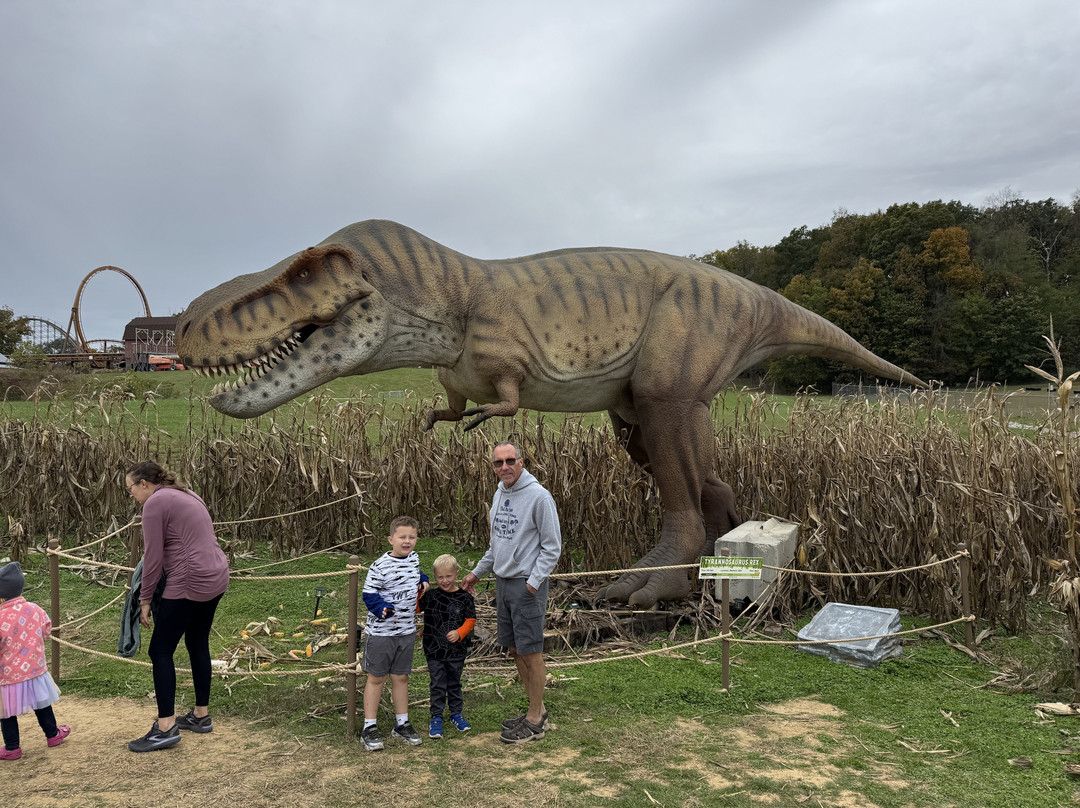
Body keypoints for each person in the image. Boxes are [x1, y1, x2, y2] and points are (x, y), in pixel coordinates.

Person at [124, 461, 229, 753]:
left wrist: (145, 599)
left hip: (189, 580)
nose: (131, 494)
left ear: (144, 483)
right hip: (216, 575)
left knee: (160, 650)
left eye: (131, 488)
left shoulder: (154, 504)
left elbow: (152, 556)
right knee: (197, 641)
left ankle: (165, 727)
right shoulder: (187, 493)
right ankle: (200, 715)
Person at [462, 441, 562, 744]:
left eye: (510, 461)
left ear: (522, 462)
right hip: (504, 582)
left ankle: (535, 721)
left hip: (525, 585)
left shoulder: (539, 497)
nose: (504, 467)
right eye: (498, 462)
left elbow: (552, 547)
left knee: (531, 651)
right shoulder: (499, 493)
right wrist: (478, 572)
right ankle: (537, 710)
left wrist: (532, 583)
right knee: (516, 649)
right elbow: (497, 544)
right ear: (493, 466)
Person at [360, 515, 429, 751]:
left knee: (401, 677)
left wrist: (424, 580)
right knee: (377, 678)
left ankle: (402, 723)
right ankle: (369, 726)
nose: (407, 541)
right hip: (382, 632)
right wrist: (381, 609)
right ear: (391, 540)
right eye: (402, 537)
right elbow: (369, 594)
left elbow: (415, 574)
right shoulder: (379, 566)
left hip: (406, 631)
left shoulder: (414, 559)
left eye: (412, 537)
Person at [0, 562, 71, 760]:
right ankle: (53, 735)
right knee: (42, 704)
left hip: (8, 675)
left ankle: (12, 748)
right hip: (35, 669)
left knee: (5, 712)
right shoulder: (35, 609)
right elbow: (47, 630)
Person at [419, 554, 476, 740]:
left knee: (454, 683)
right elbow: (416, 608)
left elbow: (471, 620)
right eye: (440, 577)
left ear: (457, 574)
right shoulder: (431, 596)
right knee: (437, 683)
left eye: (449, 576)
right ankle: (436, 717)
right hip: (433, 649)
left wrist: (460, 633)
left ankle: (456, 714)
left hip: (457, 650)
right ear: (435, 577)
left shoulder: (465, 598)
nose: (444, 581)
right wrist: (419, 589)